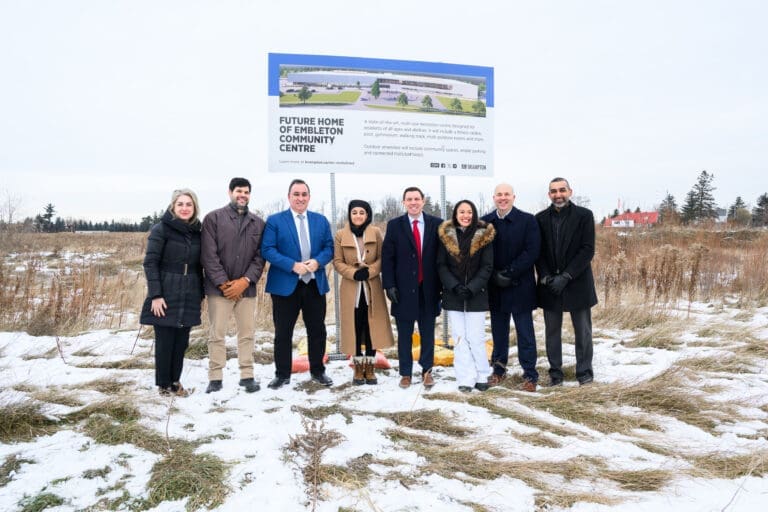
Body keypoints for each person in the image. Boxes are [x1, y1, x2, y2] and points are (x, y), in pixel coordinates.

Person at [262, 179, 335, 389]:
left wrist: (317, 262)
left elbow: (329, 248)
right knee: (283, 332)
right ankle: (282, 374)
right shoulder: (275, 221)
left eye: (304, 194)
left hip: (314, 284)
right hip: (286, 285)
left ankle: (318, 371)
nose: (300, 198)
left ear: (309, 197)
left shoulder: (320, 221)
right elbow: (268, 249)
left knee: (317, 331)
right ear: (289, 197)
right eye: (296, 194)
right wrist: (292, 265)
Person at [201, 177, 266, 394]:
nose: (242, 195)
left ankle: (247, 375)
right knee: (217, 333)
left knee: (247, 333)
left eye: (246, 192)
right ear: (230, 192)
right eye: (239, 191)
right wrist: (224, 283)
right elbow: (208, 255)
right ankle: (216, 377)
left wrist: (245, 281)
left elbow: (260, 257)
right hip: (219, 289)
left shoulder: (258, 223)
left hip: (246, 289)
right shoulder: (213, 219)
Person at [140, 189, 204, 397]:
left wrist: (201, 293)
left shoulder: (198, 232)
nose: (185, 208)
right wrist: (156, 295)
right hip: (166, 290)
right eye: (180, 204)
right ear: (173, 207)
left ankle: (175, 382)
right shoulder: (161, 229)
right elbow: (150, 263)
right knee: (165, 340)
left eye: (189, 205)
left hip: (190, 291)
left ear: (194, 208)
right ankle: (163, 385)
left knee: (181, 341)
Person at [535, 177, 598, 386]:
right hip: (550, 284)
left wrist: (567, 276)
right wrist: (545, 276)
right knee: (552, 332)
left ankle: (584, 372)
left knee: (583, 331)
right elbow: (539, 252)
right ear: (549, 195)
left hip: (577, 282)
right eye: (553, 191)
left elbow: (587, 249)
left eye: (562, 190)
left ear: (570, 192)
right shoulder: (540, 218)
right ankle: (556, 373)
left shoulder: (584, 216)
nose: (558, 194)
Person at [481, 183, 541, 391]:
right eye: (499, 195)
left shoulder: (527, 220)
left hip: (520, 285)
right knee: (498, 332)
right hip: (495, 285)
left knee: (525, 332)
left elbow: (532, 251)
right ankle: (498, 370)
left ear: (514, 197)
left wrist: (510, 272)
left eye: (507, 194)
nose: (503, 198)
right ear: (494, 197)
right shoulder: (486, 222)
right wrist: (494, 275)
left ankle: (530, 375)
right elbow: (481, 253)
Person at [381, 186, 442, 389]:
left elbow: (442, 258)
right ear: (404, 202)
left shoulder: (436, 224)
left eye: (417, 199)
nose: (413, 202)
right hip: (403, 291)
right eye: (409, 199)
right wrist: (389, 285)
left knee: (427, 334)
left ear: (423, 201)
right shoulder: (395, 225)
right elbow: (388, 258)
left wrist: (442, 288)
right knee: (405, 335)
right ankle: (405, 373)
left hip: (429, 290)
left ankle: (427, 371)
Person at [332, 199, 395, 384]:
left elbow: (383, 257)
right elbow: (337, 261)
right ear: (349, 214)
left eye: (362, 212)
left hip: (371, 287)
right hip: (351, 288)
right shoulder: (340, 234)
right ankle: (358, 368)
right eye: (354, 212)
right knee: (355, 327)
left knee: (371, 328)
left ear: (367, 215)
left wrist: (370, 271)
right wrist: (353, 273)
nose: (358, 216)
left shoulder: (375, 232)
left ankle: (370, 367)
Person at [437, 200, 495, 392]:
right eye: (461, 212)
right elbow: (441, 265)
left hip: (476, 295)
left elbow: (487, 266)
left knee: (476, 337)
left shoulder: (484, 236)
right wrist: (454, 286)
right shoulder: (446, 236)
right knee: (460, 338)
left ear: (474, 214)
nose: (465, 215)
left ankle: (482, 374)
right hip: (453, 295)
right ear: (455, 214)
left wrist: (472, 287)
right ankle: (465, 378)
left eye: (469, 212)